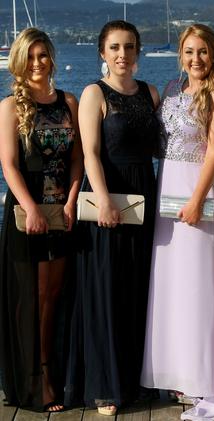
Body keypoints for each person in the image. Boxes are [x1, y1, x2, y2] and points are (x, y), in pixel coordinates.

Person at [141, 24, 214, 420]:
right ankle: (178, 376)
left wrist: (195, 200)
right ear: (180, 54)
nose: (196, 59)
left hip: (198, 196)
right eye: (189, 51)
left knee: (199, 286)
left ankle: (205, 380)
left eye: (203, 52)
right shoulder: (172, 90)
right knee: (171, 286)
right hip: (165, 194)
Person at [64, 20, 160, 416]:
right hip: (106, 195)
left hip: (144, 196)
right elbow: (89, 153)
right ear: (102, 53)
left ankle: (138, 381)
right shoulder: (93, 93)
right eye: (115, 47)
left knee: (140, 289)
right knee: (105, 291)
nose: (123, 54)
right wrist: (102, 201)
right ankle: (104, 387)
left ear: (138, 53)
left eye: (130, 47)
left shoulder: (151, 94)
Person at [0, 28, 83, 412]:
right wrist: (31, 208)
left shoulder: (68, 101)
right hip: (25, 212)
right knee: (28, 298)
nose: (37, 63)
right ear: (20, 61)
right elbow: (9, 164)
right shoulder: (9, 107)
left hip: (62, 210)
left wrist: (72, 198)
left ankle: (50, 369)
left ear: (51, 57)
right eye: (30, 57)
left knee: (54, 296)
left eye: (43, 55)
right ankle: (29, 380)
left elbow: (78, 158)